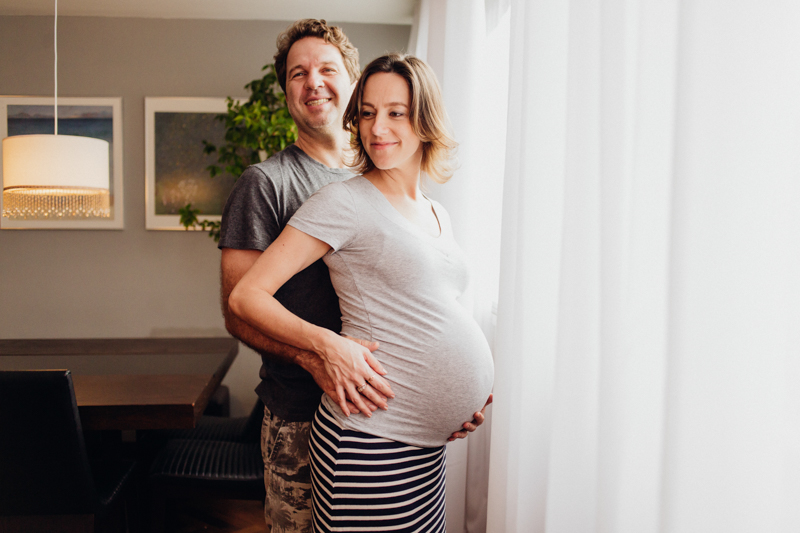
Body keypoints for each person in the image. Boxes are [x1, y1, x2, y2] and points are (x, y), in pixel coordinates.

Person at [219, 21, 491, 533]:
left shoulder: (411, 199)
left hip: (416, 437)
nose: (313, 82)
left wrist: (454, 398)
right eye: (298, 73)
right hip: (331, 416)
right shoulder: (281, 186)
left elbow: (424, 307)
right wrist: (323, 352)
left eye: (326, 69)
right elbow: (242, 302)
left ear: (349, 80)